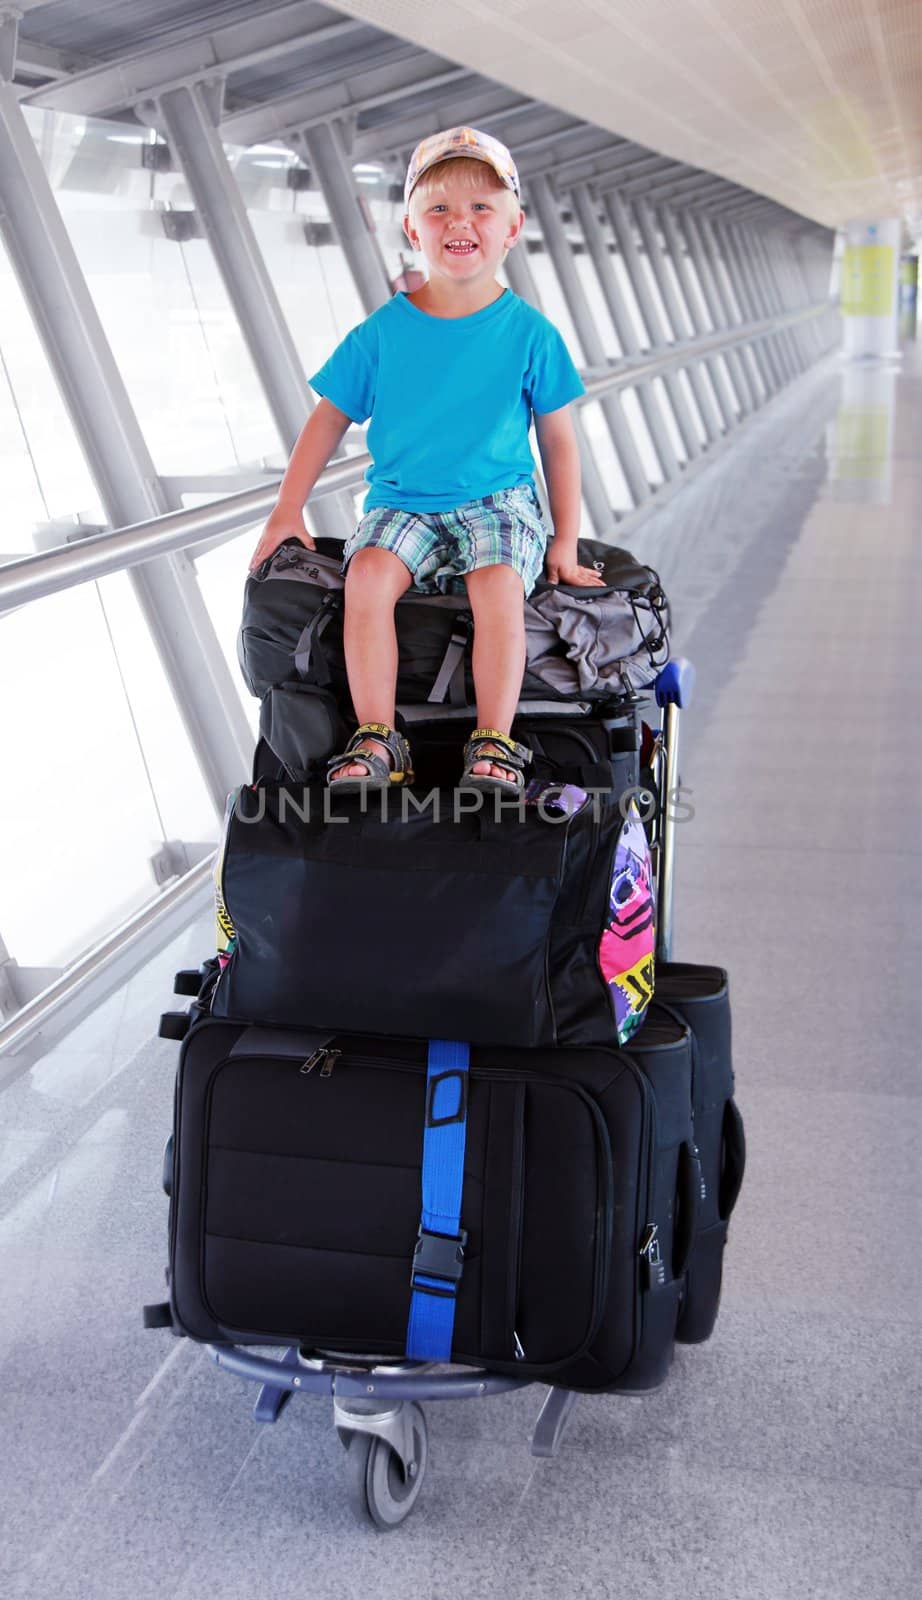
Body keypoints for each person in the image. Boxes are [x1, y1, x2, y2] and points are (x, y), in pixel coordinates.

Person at [249, 125, 604, 793]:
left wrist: (562, 540)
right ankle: (379, 737)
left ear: (511, 228)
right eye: (438, 208)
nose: (458, 222)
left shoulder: (530, 332)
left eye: (480, 209)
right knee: (368, 579)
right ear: (413, 230)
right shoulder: (384, 330)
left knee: (496, 584)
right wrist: (286, 509)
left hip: (497, 502)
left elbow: (558, 441)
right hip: (402, 502)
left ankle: (494, 744)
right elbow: (327, 420)